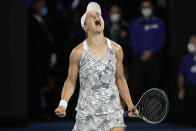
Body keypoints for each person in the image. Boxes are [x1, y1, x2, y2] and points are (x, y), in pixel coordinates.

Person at [55, 2, 138, 131]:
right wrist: (62, 104)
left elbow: (120, 79)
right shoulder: (77, 52)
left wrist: (130, 105)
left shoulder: (116, 49)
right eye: (91, 16)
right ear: (85, 27)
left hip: (113, 112)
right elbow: (70, 81)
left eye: (98, 15)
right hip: (87, 114)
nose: (96, 17)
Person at [130, 0, 165, 103]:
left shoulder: (159, 22)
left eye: (148, 6)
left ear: (152, 8)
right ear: (141, 9)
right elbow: (133, 40)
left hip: (154, 59)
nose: (146, 9)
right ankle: (134, 114)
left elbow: (161, 39)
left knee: (154, 87)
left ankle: (154, 114)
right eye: (144, 7)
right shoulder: (135, 23)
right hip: (139, 58)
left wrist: (150, 52)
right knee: (135, 87)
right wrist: (143, 52)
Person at [27, 0, 53, 121]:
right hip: (36, 62)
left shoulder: (44, 22)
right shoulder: (31, 21)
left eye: (44, 5)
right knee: (36, 88)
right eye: (41, 5)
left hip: (44, 62)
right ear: (34, 6)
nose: (43, 8)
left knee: (42, 87)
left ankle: (40, 111)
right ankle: (35, 114)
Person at [178, 35, 196, 126]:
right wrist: (181, 89)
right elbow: (181, 76)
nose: (190, 45)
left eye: (193, 43)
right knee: (190, 94)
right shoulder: (185, 58)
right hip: (191, 86)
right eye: (190, 42)